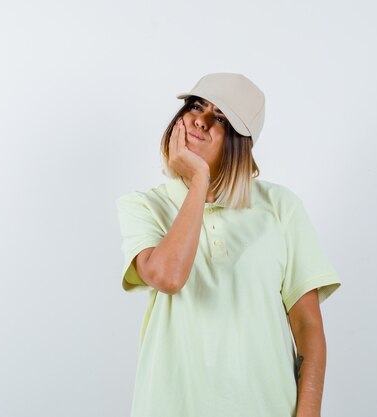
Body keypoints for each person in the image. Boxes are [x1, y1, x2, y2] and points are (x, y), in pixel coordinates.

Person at [115, 73, 341, 417]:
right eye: (196, 106)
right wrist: (198, 182)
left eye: (219, 118)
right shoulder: (144, 206)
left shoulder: (281, 207)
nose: (200, 121)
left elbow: (308, 327)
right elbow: (168, 276)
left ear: (241, 141)